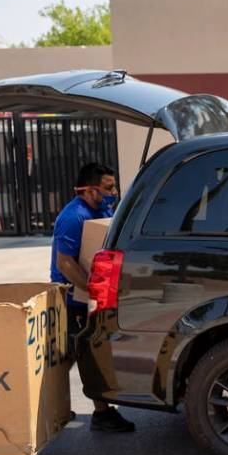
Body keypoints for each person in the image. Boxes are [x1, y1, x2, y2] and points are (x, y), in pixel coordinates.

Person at [51, 162, 135, 433]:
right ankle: (100, 412)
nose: (113, 192)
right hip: (75, 298)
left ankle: (71, 407)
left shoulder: (102, 209)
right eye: (108, 187)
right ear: (89, 190)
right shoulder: (72, 216)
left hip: (95, 294)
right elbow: (64, 263)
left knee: (83, 353)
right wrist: (91, 288)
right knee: (82, 355)